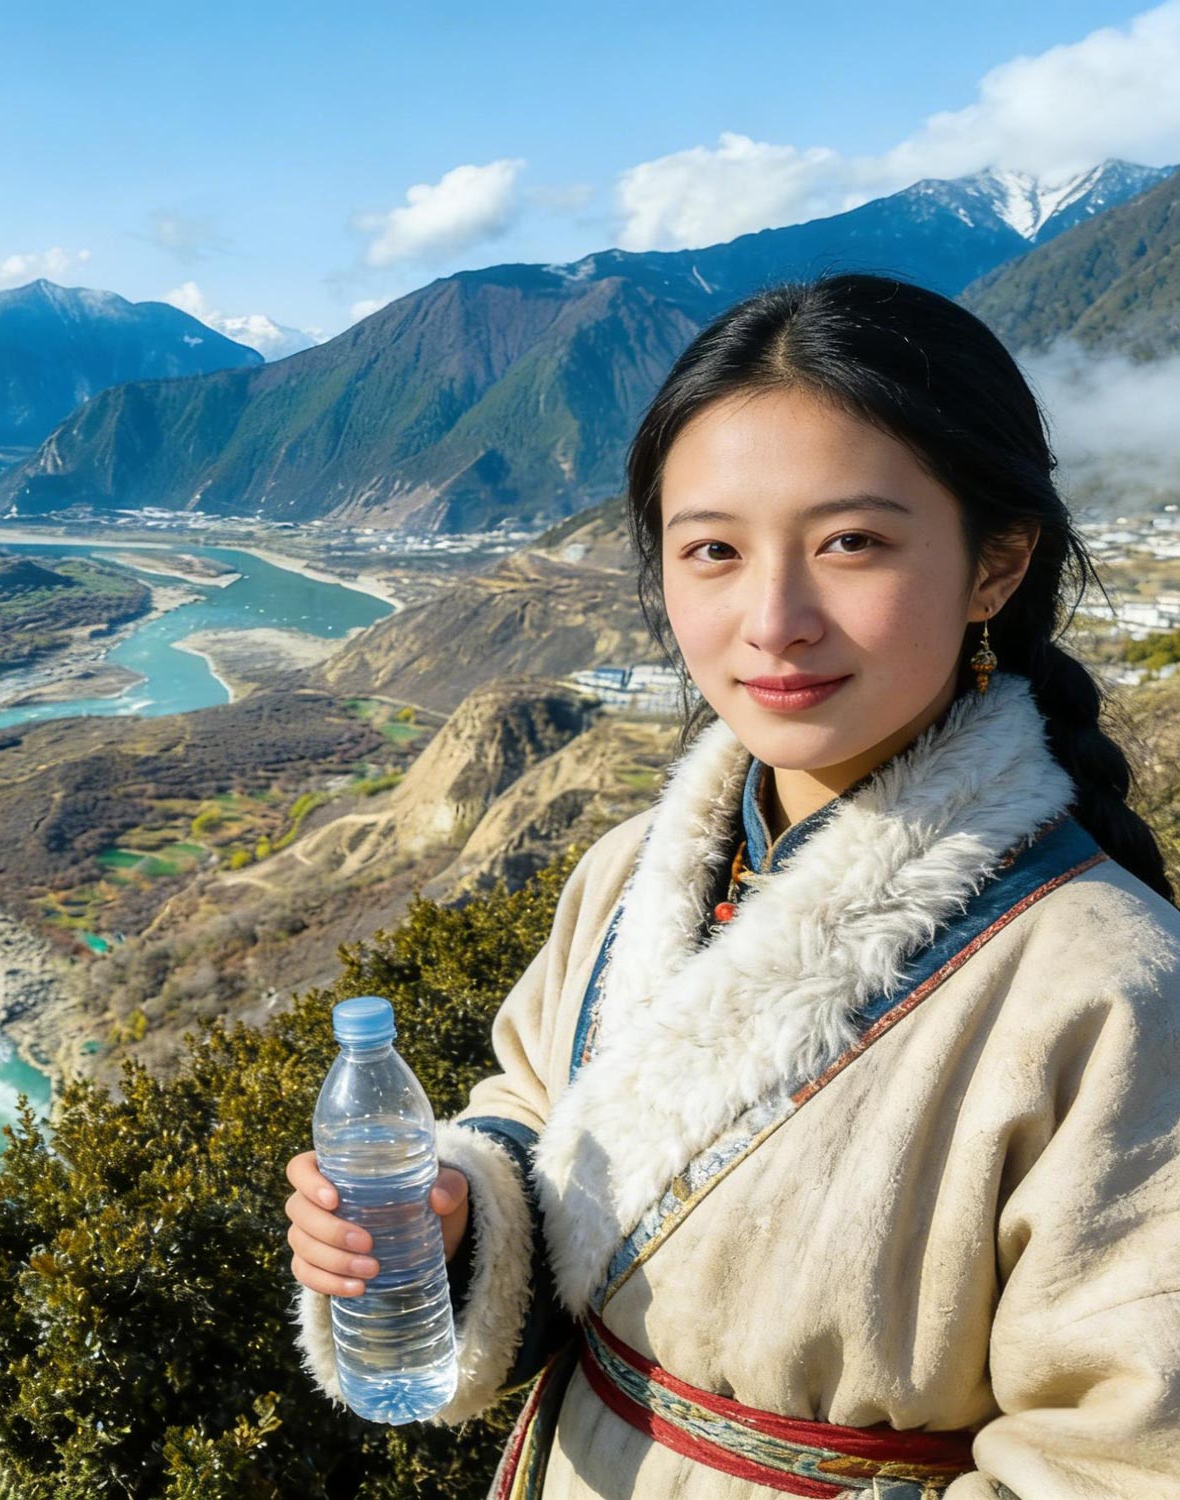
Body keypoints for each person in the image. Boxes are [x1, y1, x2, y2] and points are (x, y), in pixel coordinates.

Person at [283, 272, 1180, 1497]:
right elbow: (536, 1109)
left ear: (994, 565)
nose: (772, 620)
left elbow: (1121, 1463)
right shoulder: (627, 876)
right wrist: (453, 1222)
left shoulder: (1109, 989)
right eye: (710, 549)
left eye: (849, 542)